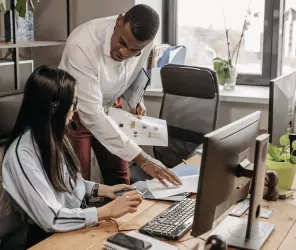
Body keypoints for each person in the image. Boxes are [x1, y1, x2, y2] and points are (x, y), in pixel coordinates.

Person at [2, 66, 143, 248]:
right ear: (54, 107)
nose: (75, 110)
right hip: (48, 239)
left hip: (72, 227)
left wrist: (102, 189)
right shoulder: (21, 155)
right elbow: (51, 217)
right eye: (73, 103)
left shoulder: (50, 138)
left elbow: (63, 183)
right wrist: (107, 210)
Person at [59, 4, 182, 186]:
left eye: (134, 51)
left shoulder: (143, 44)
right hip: (76, 112)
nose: (125, 53)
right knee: (79, 183)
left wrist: (137, 99)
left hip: (110, 107)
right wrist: (144, 159)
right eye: (122, 43)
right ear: (118, 22)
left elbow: (132, 72)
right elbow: (92, 114)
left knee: (121, 179)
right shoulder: (82, 43)